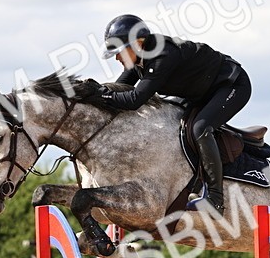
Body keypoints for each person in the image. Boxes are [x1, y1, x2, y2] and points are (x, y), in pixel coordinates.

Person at [95, 13, 251, 215]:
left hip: (232, 85)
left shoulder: (163, 56)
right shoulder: (141, 57)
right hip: (202, 91)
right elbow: (121, 88)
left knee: (200, 128)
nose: (116, 57)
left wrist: (101, 96)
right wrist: (95, 93)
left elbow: (134, 100)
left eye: (119, 52)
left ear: (138, 43)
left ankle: (215, 199)